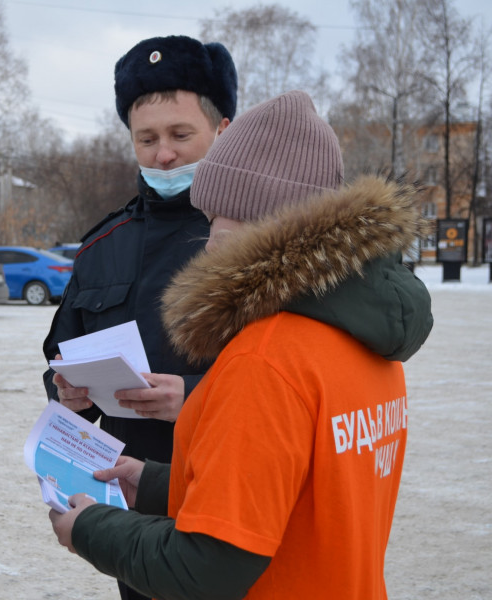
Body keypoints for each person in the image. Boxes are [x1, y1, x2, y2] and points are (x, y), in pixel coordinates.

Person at [48, 90, 434, 600]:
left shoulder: (263, 360)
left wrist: (91, 529)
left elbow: (209, 567)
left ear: (264, 227)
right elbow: (300, 495)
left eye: (218, 220)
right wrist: (155, 484)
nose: (209, 243)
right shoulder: (369, 341)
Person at [42, 36, 236, 599]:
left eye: (180, 135)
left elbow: (296, 376)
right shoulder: (104, 244)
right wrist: (66, 395)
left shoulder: (255, 236)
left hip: (229, 492)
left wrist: (193, 397)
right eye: (146, 139)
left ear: (222, 130)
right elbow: (60, 358)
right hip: (129, 503)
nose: (163, 155)